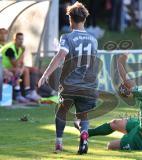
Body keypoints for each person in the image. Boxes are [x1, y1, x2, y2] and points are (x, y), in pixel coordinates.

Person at [38, 2, 99, 155]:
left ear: (70, 19)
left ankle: (59, 142)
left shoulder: (67, 37)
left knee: (62, 111)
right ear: (84, 19)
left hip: (70, 85)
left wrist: (46, 74)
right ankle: (84, 133)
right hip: (88, 86)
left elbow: (60, 55)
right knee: (83, 115)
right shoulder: (93, 40)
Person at [1, 33, 41, 102]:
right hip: (2, 68)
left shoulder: (19, 49)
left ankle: (29, 92)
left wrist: (22, 69)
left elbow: (21, 63)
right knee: (18, 70)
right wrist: (22, 53)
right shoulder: (9, 48)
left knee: (29, 70)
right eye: (19, 39)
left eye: (22, 39)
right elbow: (15, 64)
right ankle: (17, 95)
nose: (21, 41)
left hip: (12, 67)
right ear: (14, 40)